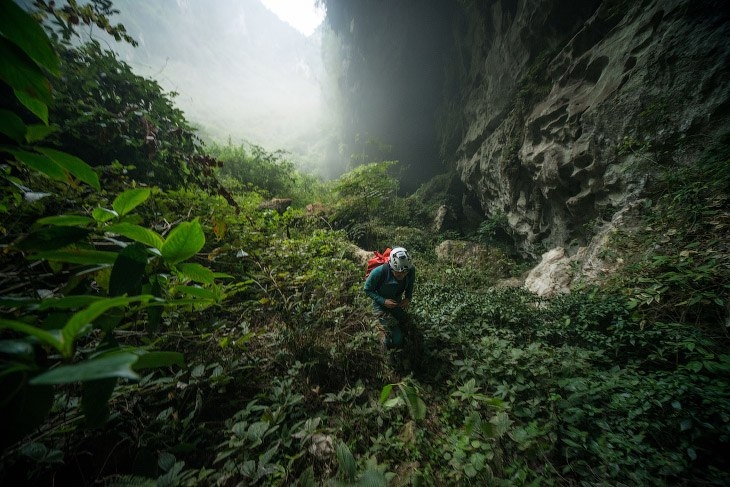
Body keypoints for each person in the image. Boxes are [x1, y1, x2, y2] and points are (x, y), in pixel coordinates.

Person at [364, 247, 416, 348]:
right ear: (392, 267)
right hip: (380, 306)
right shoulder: (379, 272)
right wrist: (383, 301)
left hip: (396, 304)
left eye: (404, 273)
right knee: (387, 340)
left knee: (399, 338)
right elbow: (367, 289)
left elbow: (410, 285)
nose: (402, 275)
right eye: (399, 272)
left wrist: (408, 298)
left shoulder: (410, 270)